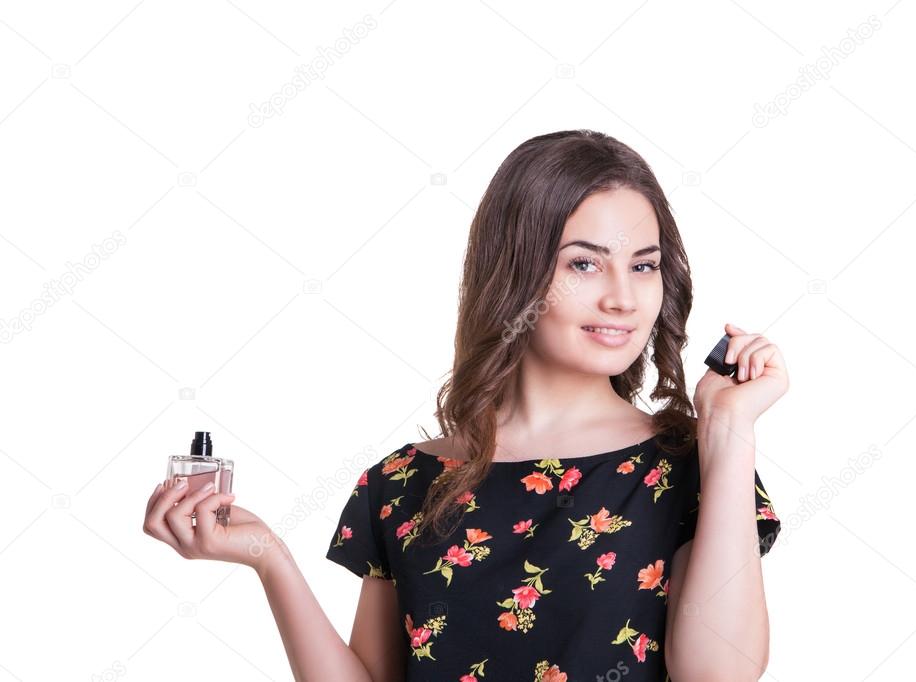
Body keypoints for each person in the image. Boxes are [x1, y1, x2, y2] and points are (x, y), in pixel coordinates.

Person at [142, 129, 788, 681]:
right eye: (584, 265)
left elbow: (719, 673)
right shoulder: (399, 484)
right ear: (513, 269)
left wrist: (728, 428)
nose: (623, 298)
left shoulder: (686, 468)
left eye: (643, 266)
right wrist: (268, 559)